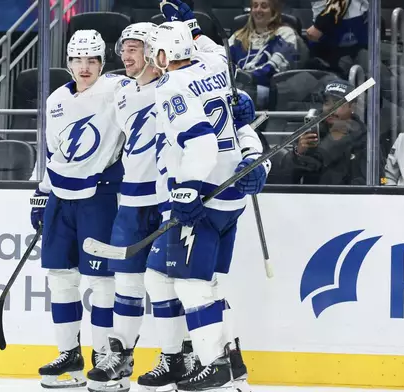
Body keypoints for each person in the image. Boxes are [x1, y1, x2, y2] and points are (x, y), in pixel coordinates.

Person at [147, 15, 270, 391]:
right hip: (230, 194)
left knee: (193, 286)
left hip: (206, 194)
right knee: (198, 283)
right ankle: (233, 368)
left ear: (167, 53)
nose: (153, 56)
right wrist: (190, 25)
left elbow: (200, 143)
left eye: (156, 49)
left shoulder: (171, 86)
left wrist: (187, 188)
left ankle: (215, 364)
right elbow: (213, 51)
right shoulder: (215, 66)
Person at [29, 29, 128, 389]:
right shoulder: (57, 99)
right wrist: (41, 193)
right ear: (68, 62)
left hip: (100, 196)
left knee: (102, 281)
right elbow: (52, 152)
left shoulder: (118, 91)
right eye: (77, 60)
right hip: (60, 197)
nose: (84, 67)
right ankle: (69, 356)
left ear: (103, 62)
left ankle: (105, 359)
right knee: (61, 278)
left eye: (92, 60)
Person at [81, 22, 166, 392]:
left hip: (167, 200)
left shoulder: (174, 87)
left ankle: (176, 355)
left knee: (171, 285)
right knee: (127, 283)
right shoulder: (121, 93)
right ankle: (121, 355)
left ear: (152, 51)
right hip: (130, 201)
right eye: (124, 49)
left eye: (133, 49)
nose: (124, 56)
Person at [273, 79, 369, 185]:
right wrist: (298, 154)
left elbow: (375, 182)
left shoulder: (366, 140)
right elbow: (285, 179)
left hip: (348, 200)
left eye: (338, 104)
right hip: (310, 199)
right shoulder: (311, 132)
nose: (331, 109)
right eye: (327, 103)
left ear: (352, 107)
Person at [228, 0, 299, 108]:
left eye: (264, 6)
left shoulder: (285, 33)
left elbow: (274, 68)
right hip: (238, 87)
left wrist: (246, 79)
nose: (258, 10)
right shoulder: (238, 36)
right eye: (255, 6)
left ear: (274, 11)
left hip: (267, 88)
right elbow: (223, 61)